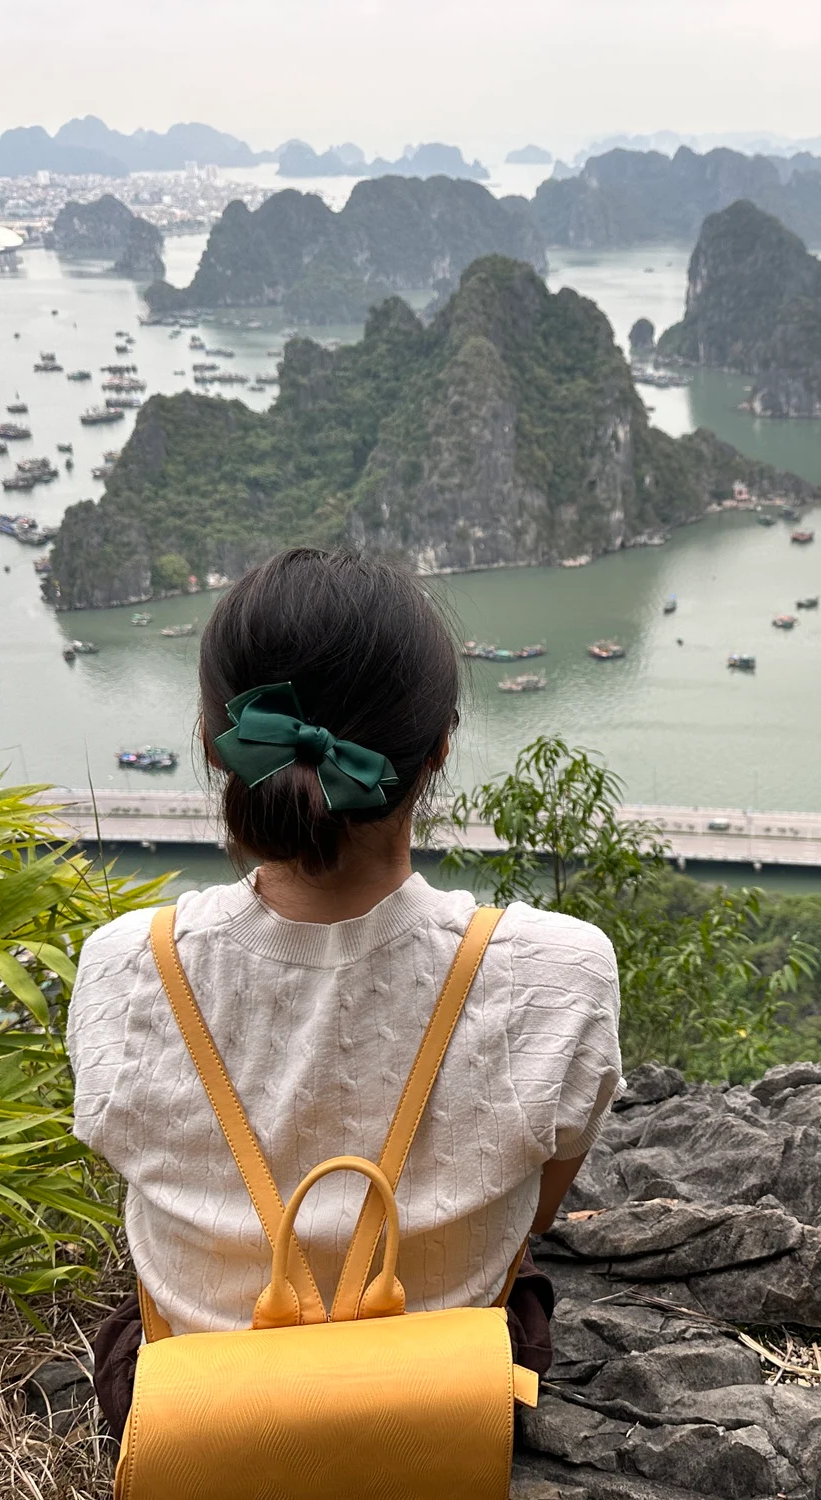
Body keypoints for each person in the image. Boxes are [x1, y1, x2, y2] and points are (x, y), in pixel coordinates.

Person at [66, 547, 621, 1433]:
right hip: (440, 1410)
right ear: (439, 746)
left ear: (214, 746)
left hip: (199, 1416)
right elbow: (533, 1213)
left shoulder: (127, 967)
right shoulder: (558, 973)